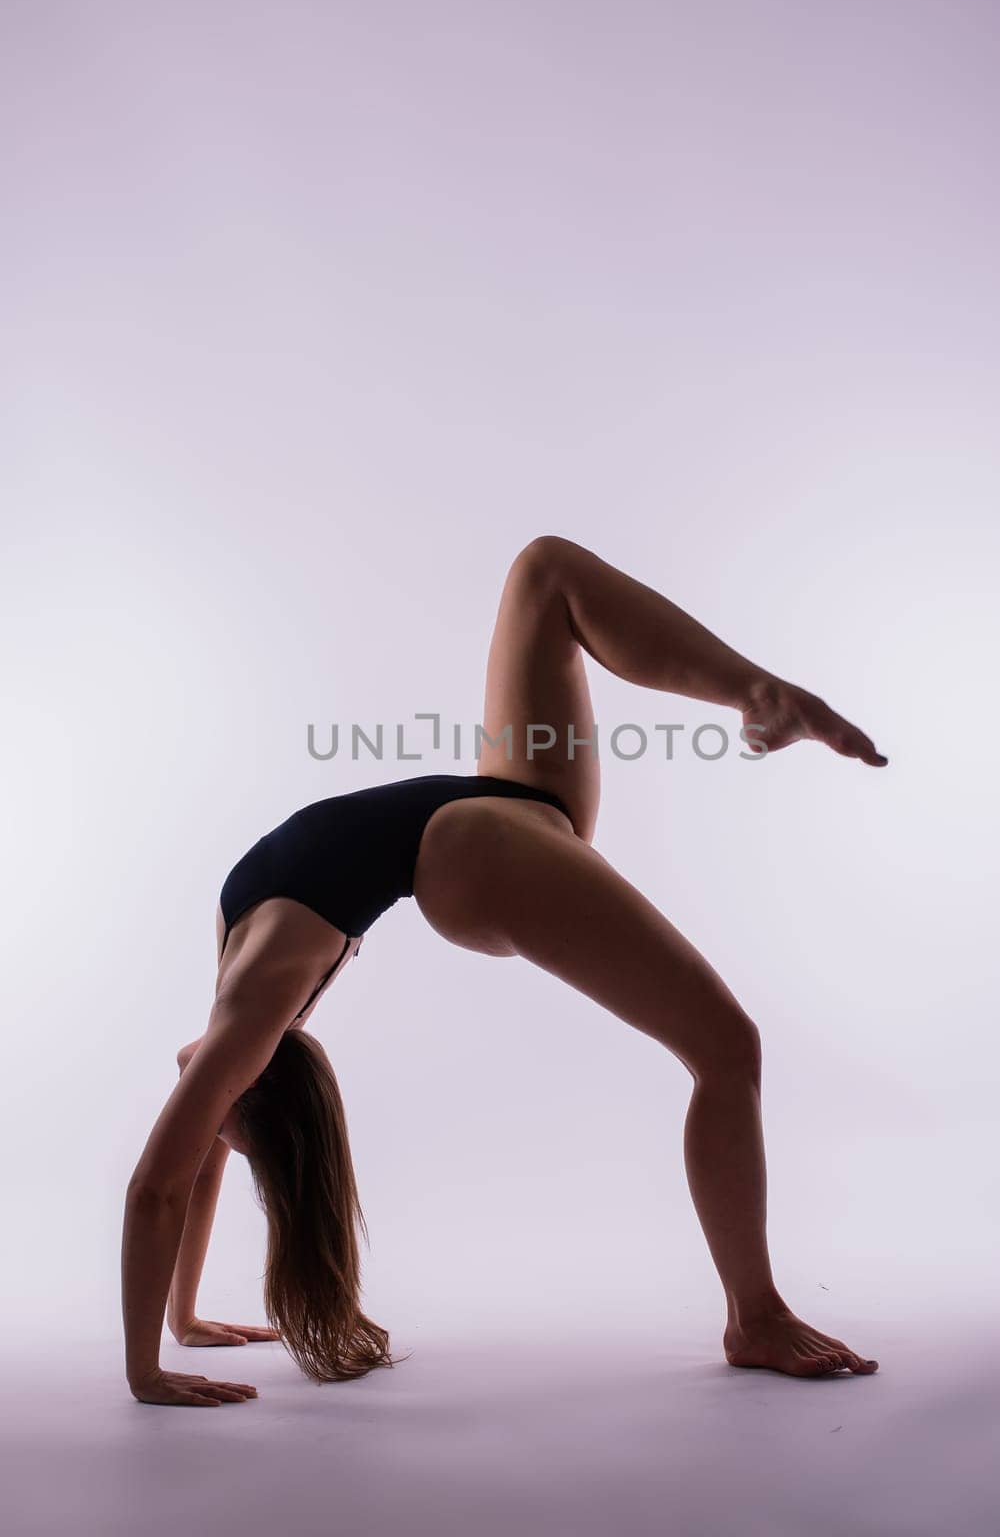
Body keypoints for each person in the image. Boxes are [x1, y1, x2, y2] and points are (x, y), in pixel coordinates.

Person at [123, 535, 887, 1406]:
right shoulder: (242, 997)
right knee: (725, 1047)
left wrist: (157, 1354)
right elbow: (182, 1167)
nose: (206, 1125)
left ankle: (761, 696)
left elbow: (164, 1184)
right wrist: (169, 1332)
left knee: (546, 571)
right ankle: (754, 1315)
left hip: (494, 816)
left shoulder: (244, 1023)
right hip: (472, 840)